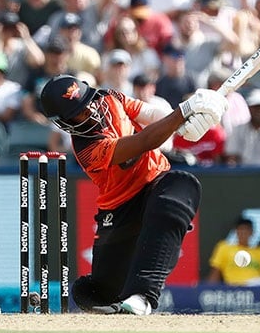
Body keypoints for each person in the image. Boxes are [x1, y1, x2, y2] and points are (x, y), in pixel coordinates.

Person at [38, 73, 228, 315]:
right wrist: (185, 111)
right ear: (64, 123)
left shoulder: (108, 96)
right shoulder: (87, 149)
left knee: (181, 184)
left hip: (155, 180)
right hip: (119, 209)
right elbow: (144, 141)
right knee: (98, 293)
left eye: (88, 102)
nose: (91, 111)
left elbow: (149, 116)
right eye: (81, 112)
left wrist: (189, 122)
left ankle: (144, 296)